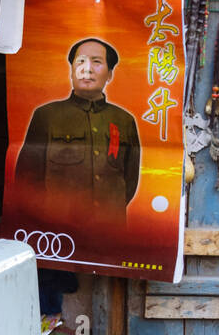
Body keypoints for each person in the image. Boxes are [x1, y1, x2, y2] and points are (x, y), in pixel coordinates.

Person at [14, 38, 141, 231]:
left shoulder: (125, 120)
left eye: (96, 62)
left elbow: (129, 180)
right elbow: (27, 178)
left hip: (110, 230)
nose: (87, 68)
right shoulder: (47, 116)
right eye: (80, 61)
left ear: (110, 75)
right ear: (71, 70)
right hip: (59, 232)